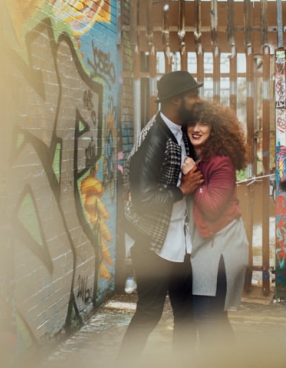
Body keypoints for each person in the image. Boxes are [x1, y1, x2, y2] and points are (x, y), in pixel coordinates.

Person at [118, 71, 205, 359]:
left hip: (177, 240)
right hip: (153, 243)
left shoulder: (178, 130)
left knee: (187, 314)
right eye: (192, 95)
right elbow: (143, 200)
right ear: (176, 100)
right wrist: (183, 189)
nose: (197, 100)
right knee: (149, 314)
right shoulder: (155, 138)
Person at [184, 100, 250, 346]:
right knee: (214, 319)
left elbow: (212, 208)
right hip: (208, 248)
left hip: (222, 248)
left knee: (206, 318)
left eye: (204, 123)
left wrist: (193, 181)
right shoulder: (202, 159)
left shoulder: (221, 162)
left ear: (215, 128)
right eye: (192, 123)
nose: (196, 128)